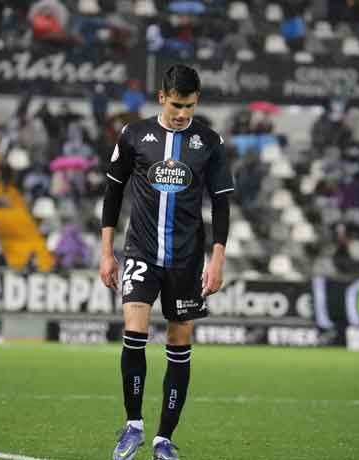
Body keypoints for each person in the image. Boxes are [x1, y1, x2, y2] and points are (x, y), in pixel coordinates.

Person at [100, 64, 234, 460]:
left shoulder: (209, 141)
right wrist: (107, 252)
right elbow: (112, 193)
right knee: (134, 329)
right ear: (162, 97)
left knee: (179, 342)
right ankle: (133, 426)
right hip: (140, 250)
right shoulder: (134, 135)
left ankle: (163, 439)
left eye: (190, 106)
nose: (183, 113)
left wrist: (218, 258)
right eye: (177, 104)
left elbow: (222, 203)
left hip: (187, 259)